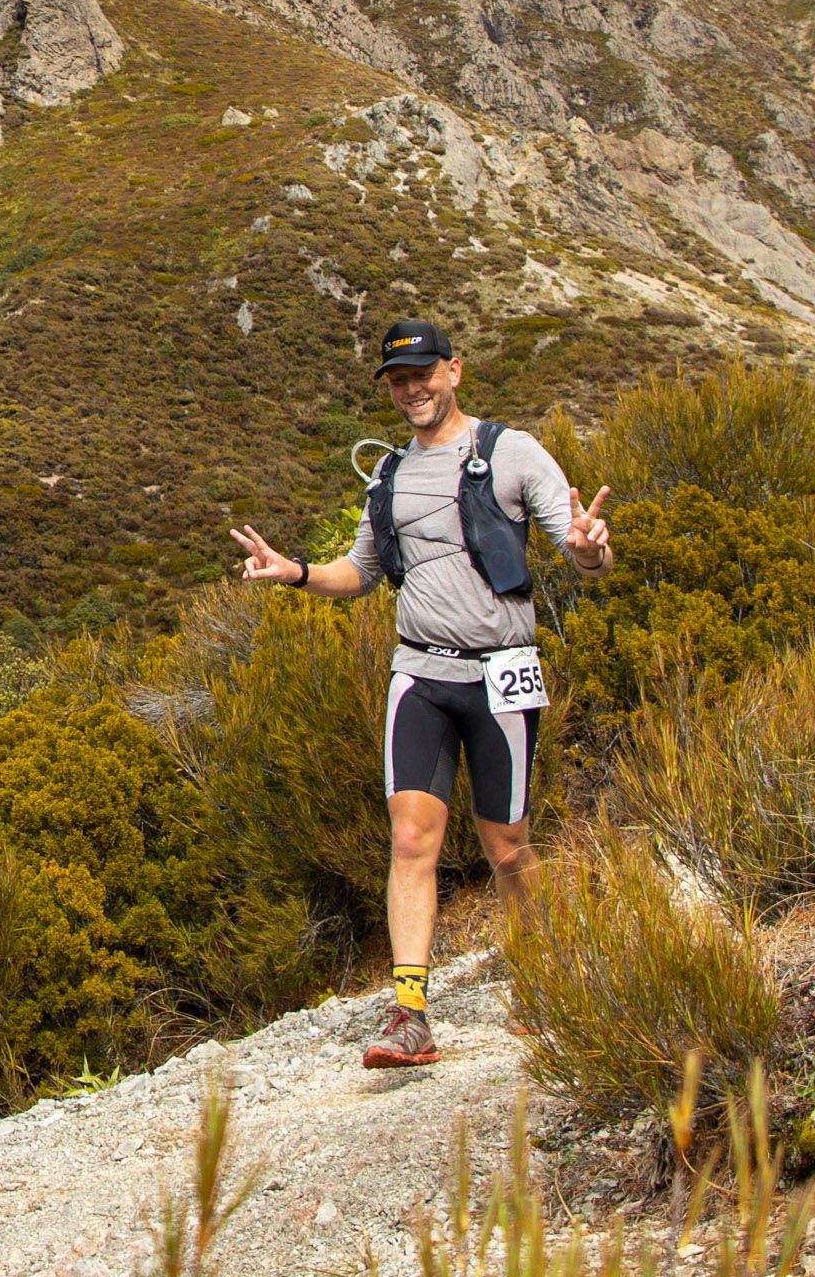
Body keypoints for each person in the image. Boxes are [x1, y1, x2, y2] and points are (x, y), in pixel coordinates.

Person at [230, 317, 612, 1071]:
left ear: (454, 372)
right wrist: (295, 572)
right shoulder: (389, 476)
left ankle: (547, 978)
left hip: (502, 673)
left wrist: (589, 552)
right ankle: (410, 1015)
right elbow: (359, 572)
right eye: (398, 380)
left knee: (507, 847)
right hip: (420, 676)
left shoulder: (512, 453)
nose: (412, 390)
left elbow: (577, 545)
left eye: (423, 374)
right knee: (410, 840)